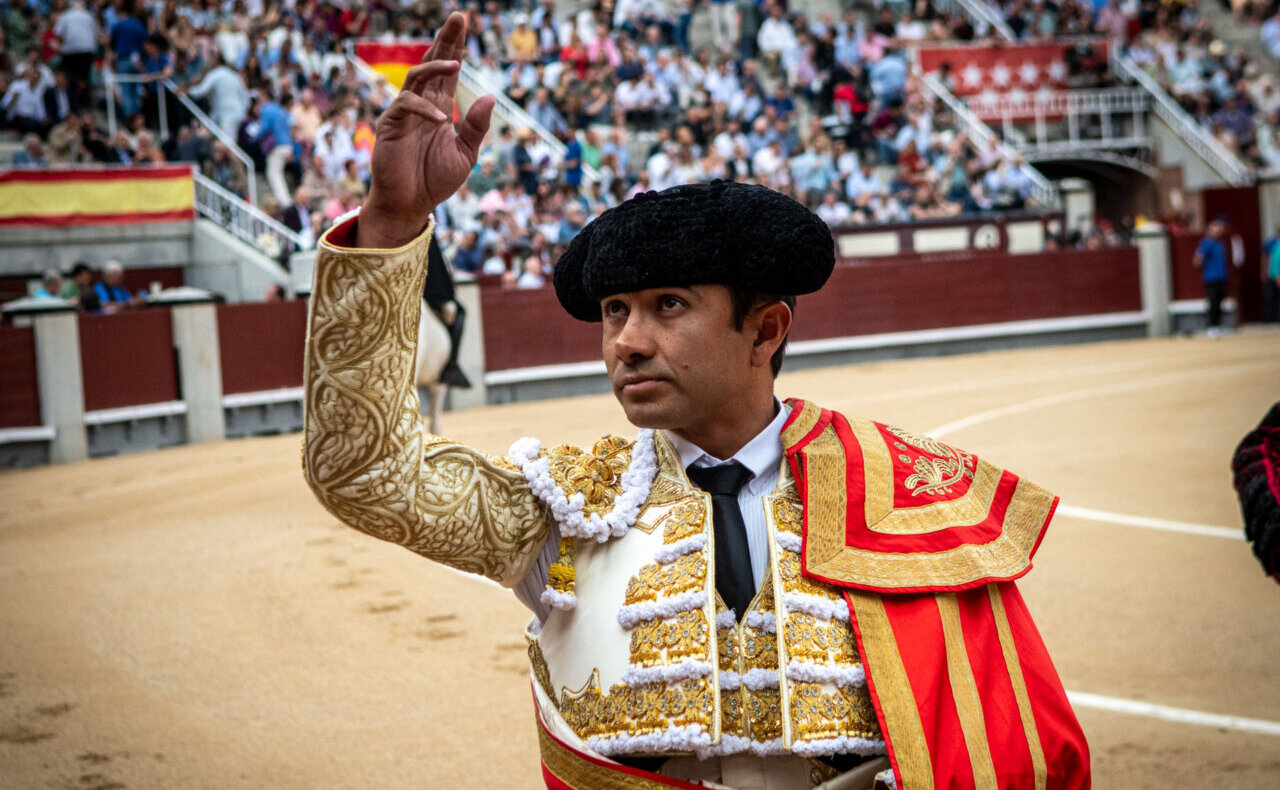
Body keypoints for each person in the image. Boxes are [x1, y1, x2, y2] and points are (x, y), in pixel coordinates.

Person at [301, 14, 1090, 790]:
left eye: (667, 306)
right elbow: (362, 470)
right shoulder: (564, 511)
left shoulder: (907, 495)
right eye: (615, 311)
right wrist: (394, 222)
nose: (628, 342)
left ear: (766, 329)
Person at [1192, 217, 1230, 337]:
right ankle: (1211, 327)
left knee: (1219, 302)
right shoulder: (1206, 243)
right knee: (1213, 303)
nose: (1219, 229)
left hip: (1221, 276)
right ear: (1210, 228)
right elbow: (1197, 260)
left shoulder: (1220, 243)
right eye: (1216, 226)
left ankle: (1217, 325)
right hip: (1211, 277)